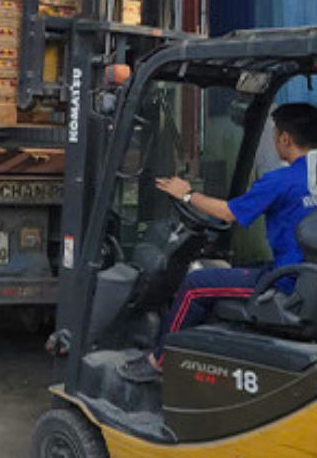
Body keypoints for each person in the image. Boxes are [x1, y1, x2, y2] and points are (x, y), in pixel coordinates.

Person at [119, 103, 317, 382]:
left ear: (285, 138)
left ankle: (159, 361)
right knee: (243, 267)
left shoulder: (280, 180)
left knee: (194, 285)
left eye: (274, 135)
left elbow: (228, 213)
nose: (274, 141)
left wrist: (187, 194)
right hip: (305, 275)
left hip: (289, 283)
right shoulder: (311, 176)